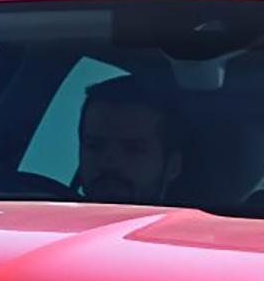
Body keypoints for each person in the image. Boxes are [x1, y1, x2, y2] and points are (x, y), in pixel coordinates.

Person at [74, 75, 183, 204]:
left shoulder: (198, 224)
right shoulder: (50, 218)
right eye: (94, 146)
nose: (109, 163)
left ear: (173, 166)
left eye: (133, 149)